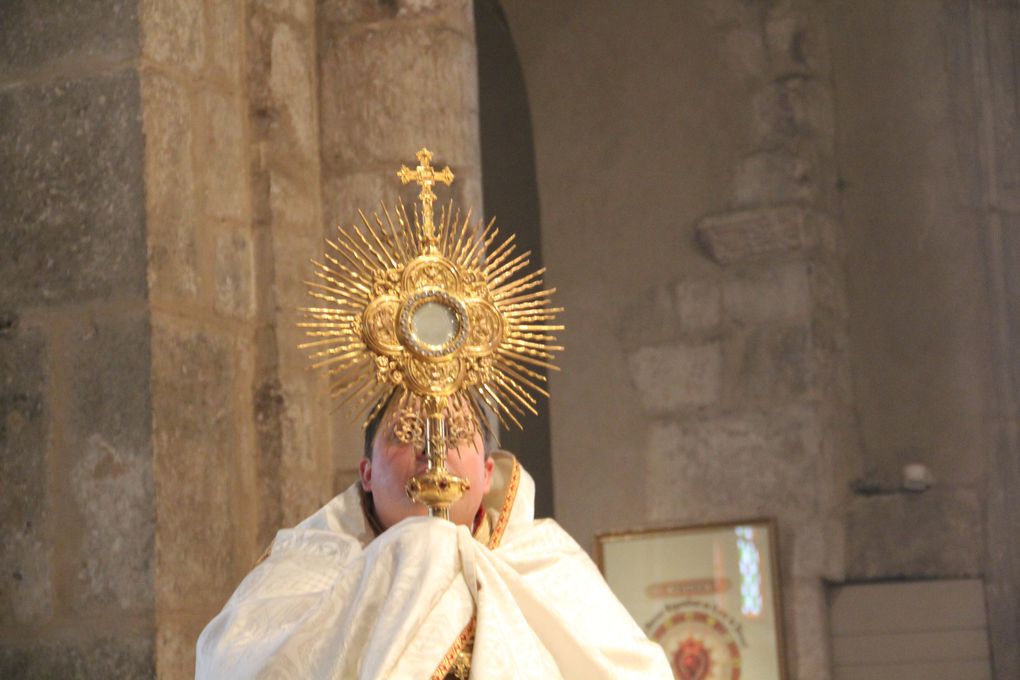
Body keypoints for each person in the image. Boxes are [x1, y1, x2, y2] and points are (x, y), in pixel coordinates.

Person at [195, 397, 672, 679]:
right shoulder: (303, 570)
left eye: (456, 431)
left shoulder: (549, 565)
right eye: (405, 432)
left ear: (488, 474)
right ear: (366, 473)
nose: (432, 451)